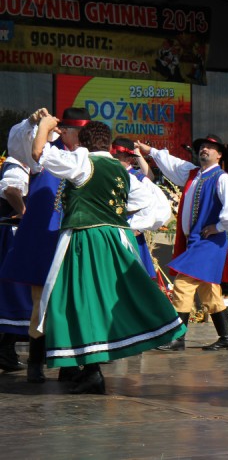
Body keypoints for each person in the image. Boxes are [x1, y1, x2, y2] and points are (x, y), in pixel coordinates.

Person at [31, 118, 186, 394]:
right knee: (102, 302)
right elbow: (157, 206)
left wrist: (44, 125)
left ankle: (91, 372)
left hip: (85, 240)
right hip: (115, 242)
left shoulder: (82, 161)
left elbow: (39, 153)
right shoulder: (120, 170)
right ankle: (89, 369)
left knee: (77, 300)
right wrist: (128, 225)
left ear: (82, 142)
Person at [0, 107, 89, 383]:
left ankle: (68, 364)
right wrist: (33, 122)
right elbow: (17, 146)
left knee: (70, 300)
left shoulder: (87, 158)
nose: (81, 138)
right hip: (43, 235)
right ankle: (36, 362)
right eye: (77, 132)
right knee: (40, 301)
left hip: (72, 234)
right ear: (65, 130)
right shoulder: (44, 149)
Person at [137, 134, 228, 352]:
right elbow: (173, 164)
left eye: (210, 148)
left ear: (219, 154)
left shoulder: (222, 178)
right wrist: (150, 151)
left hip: (209, 243)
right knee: (209, 291)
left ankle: (177, 338)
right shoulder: (193, 174)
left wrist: (219, 227)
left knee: (183, 285)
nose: (204, 150)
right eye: (202, 147)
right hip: (196, 241)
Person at [110, 137, 172, 281]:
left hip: (130, 235)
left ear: (128, 158)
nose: (113, 159)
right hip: (112, 233)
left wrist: (140, 227)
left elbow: (161, 208)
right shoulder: (109, 173)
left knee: (133, 278)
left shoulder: (138, 178)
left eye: (117, 156)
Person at [0, 154, 30, 372]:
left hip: (11, 234)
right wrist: (24, 212)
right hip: (11, 233)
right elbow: (11, 189)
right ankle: (5, 349)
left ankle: (6, 349)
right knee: (15, 291)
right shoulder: (16, 167)